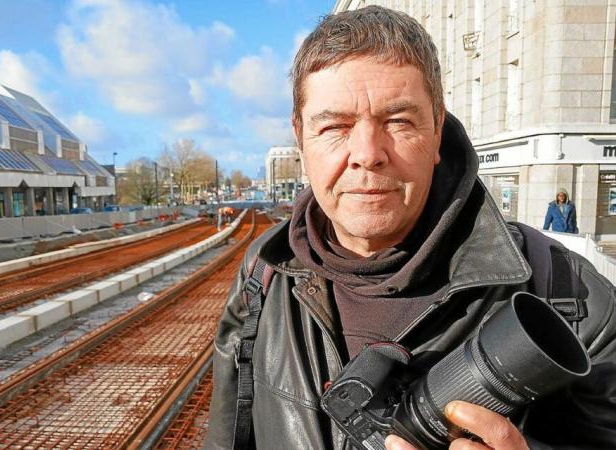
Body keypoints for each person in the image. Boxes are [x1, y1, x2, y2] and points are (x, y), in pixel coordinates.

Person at [205, 6, 616, 450]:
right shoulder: (262, 273)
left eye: (398, 121)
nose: (367, 153)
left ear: (437, 130)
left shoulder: (574, 300)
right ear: (301, 138)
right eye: (335, 126)